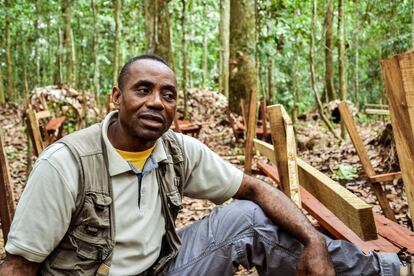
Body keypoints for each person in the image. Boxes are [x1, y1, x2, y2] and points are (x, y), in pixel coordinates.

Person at [0, 54, 403, 276]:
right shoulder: (66, 164)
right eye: (143, 90)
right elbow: (19, 264)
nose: (157, 102)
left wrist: (314, 242)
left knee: (247, 217)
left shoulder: (176, 150)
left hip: (162, 270)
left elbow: (256, 189)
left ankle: (388, 272)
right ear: (115, 98)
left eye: (168, 94)